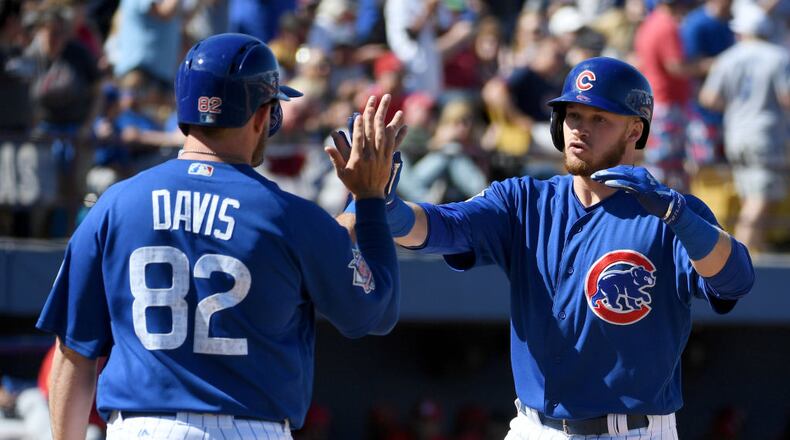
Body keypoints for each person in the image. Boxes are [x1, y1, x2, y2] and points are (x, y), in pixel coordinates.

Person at [342, 57, 755, 438]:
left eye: (599, 118)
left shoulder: (671, 213)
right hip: (532, 426)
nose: (580, 128)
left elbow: (735, 281)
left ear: (634, 130)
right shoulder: (523, 199)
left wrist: (680, 217)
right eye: (573, 115)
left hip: (632, 431)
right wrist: (383, 205)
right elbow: (441, 229)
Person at [36, 33, 404, 440]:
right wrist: (370, 202)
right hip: (246, 429)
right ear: (261, 116)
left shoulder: (114, 205)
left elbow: (73, 353)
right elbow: (375, 312)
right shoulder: (290, 215)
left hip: (139, 428)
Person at [699, 2, 790, 253]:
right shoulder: (779, 56)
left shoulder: (728, 57)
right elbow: (786, 97)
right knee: (759, 200)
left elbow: (709, 98)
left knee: (750, 198)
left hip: (736, 133)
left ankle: (751, 252)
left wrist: (738, 105)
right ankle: (745, 257)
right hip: (766, 135)